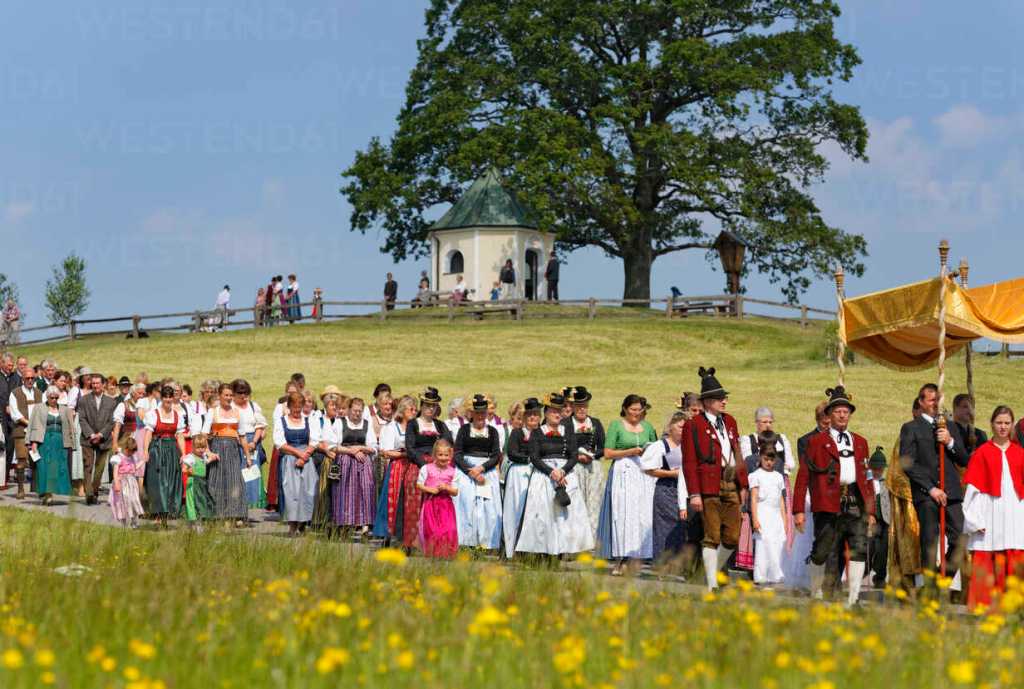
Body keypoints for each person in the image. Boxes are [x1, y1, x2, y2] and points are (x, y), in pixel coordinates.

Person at [793, 386, 875, 606]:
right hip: (827, 502)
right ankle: (817, 593)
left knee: (859, 548)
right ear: (829, 415)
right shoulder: (816, 442)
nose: (842, 415)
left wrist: (871, 510)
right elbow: (803, 476)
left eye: (846, 412)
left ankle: (853, 599)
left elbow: (867, 478)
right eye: (838, 411)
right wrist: (798, 510)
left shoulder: (860, 442)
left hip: (855, 502)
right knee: (822, 550)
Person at [682, 367, 747, 590]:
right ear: (708, 402)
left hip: (731, 482)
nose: (724, 402)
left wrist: (743, 484)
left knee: (733, 537)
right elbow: (689, 461)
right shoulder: (693, 425)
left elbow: (738, 453)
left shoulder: (730, 421)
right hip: (709, 484)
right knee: (712, 536)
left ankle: (711, 571)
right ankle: (712, 584)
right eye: (720, 398)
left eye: (724, 398)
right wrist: (694, 493)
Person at [900, 383, 969, 580]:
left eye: (938, 400)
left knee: (961, 538)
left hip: (951, 492)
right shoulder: (910, 428)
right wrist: (931, 488)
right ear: (921, 402)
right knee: (930, 540)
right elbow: (907, 463)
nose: (935, 404)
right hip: (926, 494)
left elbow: (963, 460)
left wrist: (950, 442)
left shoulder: (950, 426)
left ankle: (941, 580)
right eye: (931, 400)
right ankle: (929, 586)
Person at [516, 392, 593, 559]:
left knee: (565, 516)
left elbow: (573, 455)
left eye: (559, 410)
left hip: (566, 476)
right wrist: (551, 472)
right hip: (544, 476)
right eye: (553, 411)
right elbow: (534, 457)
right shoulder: (537, 432)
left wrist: (563, 471)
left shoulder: (568, 431)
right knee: (543, 515)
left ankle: (561, 551)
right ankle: (542, 552)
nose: (557, 414)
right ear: (546, 413)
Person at [962, 406, 1024, 609]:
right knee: (988, 553)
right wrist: (974, 520)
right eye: (999, 423)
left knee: (1015, 553)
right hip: (990, 512)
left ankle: (1015, 605)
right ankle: (984, 604)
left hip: (1015, 513)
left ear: (1012, 425)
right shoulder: (982, 453)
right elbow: (972, 490)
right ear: (992, 424)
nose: (1003, 427)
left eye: (1007, 423)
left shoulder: (1020, 453)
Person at [453, 394, 503, 550]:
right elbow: (457, 454)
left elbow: (496, 455)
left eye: (483, 413)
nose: (480, 416)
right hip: (466, 471)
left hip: (486, 471)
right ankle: (466, 541)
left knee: (487, 507)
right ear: (472, 413)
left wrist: (481, 468)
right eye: (477, 413)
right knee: (467, 504)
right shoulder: (464, 430)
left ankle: (486, 542)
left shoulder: (493, 432)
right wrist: (470, 471)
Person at [372, 395, 419, 544]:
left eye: (415, 410)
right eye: (411, 409)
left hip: (413, 466)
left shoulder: (417, 427)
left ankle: (407, 537)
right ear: (403, 410)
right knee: (393, 499)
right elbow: (386, 452)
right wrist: (406, 453)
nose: (414, 412)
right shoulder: (392, 427)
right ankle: (387, 534)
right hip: (397, 468)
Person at [642, 411, 687, 565]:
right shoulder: (660, 446)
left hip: (685, 491)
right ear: (671, 427)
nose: (683, 430)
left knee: (682, 527)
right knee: (664, 527)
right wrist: (671, 474)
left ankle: (679, 563)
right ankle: (662, 563)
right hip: (666, 489)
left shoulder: (689, 445)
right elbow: (648, 469)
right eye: (680, 427)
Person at [274, 391, 322, 535]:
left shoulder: (308, 420)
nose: (297, 410)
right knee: (291, 492)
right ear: (289, 406)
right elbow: (280, 444)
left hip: (306, 460)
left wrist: (304, 456)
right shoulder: (282, 421)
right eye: (294, 407)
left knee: (308, 491)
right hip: (289, 459)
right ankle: (292, 525)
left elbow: (314, 441)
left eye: (299, 407)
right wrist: (298, 454)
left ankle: (303, 523)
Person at [203, 383, 249, 526]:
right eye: (226, 395)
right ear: (220, 395)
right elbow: (204, 434)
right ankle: (217, 515)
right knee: (216, 481)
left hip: (233, 448)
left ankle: (235, 514)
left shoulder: (237, 412)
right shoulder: (213, 412)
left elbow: (242, 436)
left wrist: (248, 456)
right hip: (217, 447)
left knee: (234, 480)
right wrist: (208, 452)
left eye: (231, 395)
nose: (229, 398)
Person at [332, 397, 379, 537]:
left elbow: (373, 447)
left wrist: (359, 448)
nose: (357, 414)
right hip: (344, 461)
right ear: (349, 410)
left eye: (359, 411)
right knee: (344, 492)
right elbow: (333, 446)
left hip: (363, 461)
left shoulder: (366, 424)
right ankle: (344, 525)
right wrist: (351, 451)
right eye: (354, 411)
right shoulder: (340, 423)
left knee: (366, 490)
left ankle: (365, 526)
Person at [142, 385, 187, 525]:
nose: (168, 400)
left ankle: (168, 512)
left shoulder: (177, 415)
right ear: (161, 398)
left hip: (172, 449)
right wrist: (145, 451)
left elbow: (180, 436)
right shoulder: (153, 414)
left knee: (171, 480)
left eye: (170, 397)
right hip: (157, 449)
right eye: (165, 397)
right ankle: (157, 513)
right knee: (158, 481)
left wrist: (183, 454)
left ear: (173, 398)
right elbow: (148, 433)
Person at [565, 387, 605, 540]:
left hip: (593, 467)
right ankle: (575, 540)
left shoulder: (595, 423)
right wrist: (577, 456)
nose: (582, 409)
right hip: (573, 467)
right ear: (573, 407)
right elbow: (562, 447)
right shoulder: (566, 423)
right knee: (576, 502)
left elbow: (603, 447)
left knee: (594, 503)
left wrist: (592, 455)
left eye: (585, 406)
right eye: (579, 406)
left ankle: (592, 540)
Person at [503, 397, 541, 558]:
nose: (532, 417)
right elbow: (512, 452)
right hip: (519, 474)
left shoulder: (542, 433)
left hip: (538, 473)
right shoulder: (517, 433)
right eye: (529, 415)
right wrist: (530, 459)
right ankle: (511, 547)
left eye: (536, 414)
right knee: (516, 508)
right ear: (524, 417)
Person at [749, 439, 787, 585]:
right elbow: (753, 499)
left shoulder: (778, 476)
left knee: (777, 544)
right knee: (763, 544)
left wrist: (784, 520)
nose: (769, 462)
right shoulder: (756, 475)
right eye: (766, 459)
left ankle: (775, 575)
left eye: (772, 459)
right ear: (760, 457)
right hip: (762, 513)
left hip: (776, 515)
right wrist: (755, 519)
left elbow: (781, 500)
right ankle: (761, 575)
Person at [27, 385, 73, 504]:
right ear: (47, 397)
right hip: (44, 441)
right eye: (51, 397)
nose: (54, 400)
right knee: (44, 468)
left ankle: (50, 492)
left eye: (56, 398)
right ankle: (46, 494)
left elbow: (70, 428)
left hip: (59, 443)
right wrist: (33, 443)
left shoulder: (64, 409)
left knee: (56, 468)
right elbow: (34, 425)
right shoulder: (39, 408)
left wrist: (71, 444)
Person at [417, 438, 460, 559]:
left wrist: (446, 487)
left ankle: (446, 554)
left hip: (446, 505)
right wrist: (430, 489)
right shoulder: (426, 468)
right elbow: (419, 484)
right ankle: (433, 554)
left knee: (449, 529)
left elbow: (455, 491)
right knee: (432, 530)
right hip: (431, 504)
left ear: (450, 456)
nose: (443, 458)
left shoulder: (453, 471)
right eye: (440, 455)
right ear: (434, 455)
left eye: (446, 455)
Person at [78, 373, 117, 505]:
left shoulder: (111, 402)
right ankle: (89, 493)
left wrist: (100, 434)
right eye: (93, 383)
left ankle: (94, 490)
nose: (95, 386)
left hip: (104, 439)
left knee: (99, 468)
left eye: (97, 383)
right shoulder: (83, 400)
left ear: (103, 384)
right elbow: (82, 419)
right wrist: (91, 434)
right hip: (87, 439)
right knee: (87, 466)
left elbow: (111, 421)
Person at [867, 447, 891, 589]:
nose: (878, 471)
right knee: (870, 547)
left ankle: (880, 577)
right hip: (870, 520)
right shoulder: (866, 482)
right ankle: (864, 572)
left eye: (880, 469)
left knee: (883, 549)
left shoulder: (886, 483)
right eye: (875, 469)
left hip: (885, 520)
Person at [182, 433, 217, 529]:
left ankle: (200, 520)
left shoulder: (203, 457)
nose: (201, 450)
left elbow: (206, 462)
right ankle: (193, 523)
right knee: (193, 502)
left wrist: (212, 458)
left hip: (202, 483)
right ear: (193, 447)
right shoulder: (191, 457)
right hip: (194, 483)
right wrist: (188, 470)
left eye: (203, 447)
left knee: (202, 501)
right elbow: (184, 469)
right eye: (198, 448)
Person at [108, 436, 144, 528]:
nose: (132, 453)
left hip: (131, 483)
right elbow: (115, 472)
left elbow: (134, 468)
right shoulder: (118, 458)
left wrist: (143, 461)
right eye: (131, 451)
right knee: (123, 503)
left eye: (133, 452)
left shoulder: (132, 457)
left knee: (133, 501)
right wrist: (116, 484)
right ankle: (124, 523)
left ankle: (134, 521)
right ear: (126, 448)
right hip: (122, 483)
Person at [0, 352, 22, 489]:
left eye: (12, 365)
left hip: (12, 419)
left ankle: (5, 477)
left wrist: (12, 406)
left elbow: (18, 394)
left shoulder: (16, 378)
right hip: (0, 417)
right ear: (1, 363)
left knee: (10, 447)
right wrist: (4, 407)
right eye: (8, 365)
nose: (11, 367)